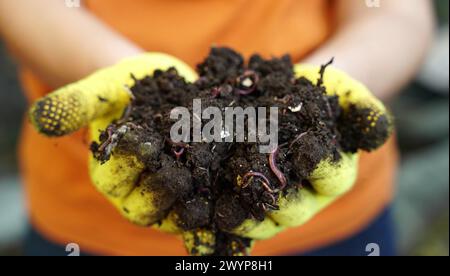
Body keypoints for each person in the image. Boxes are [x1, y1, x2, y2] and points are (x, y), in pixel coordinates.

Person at [0, 0, 434, 256]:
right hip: (89, 221)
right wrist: (116, 74)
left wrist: (331, 97)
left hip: (332, 217)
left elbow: (393, 11)